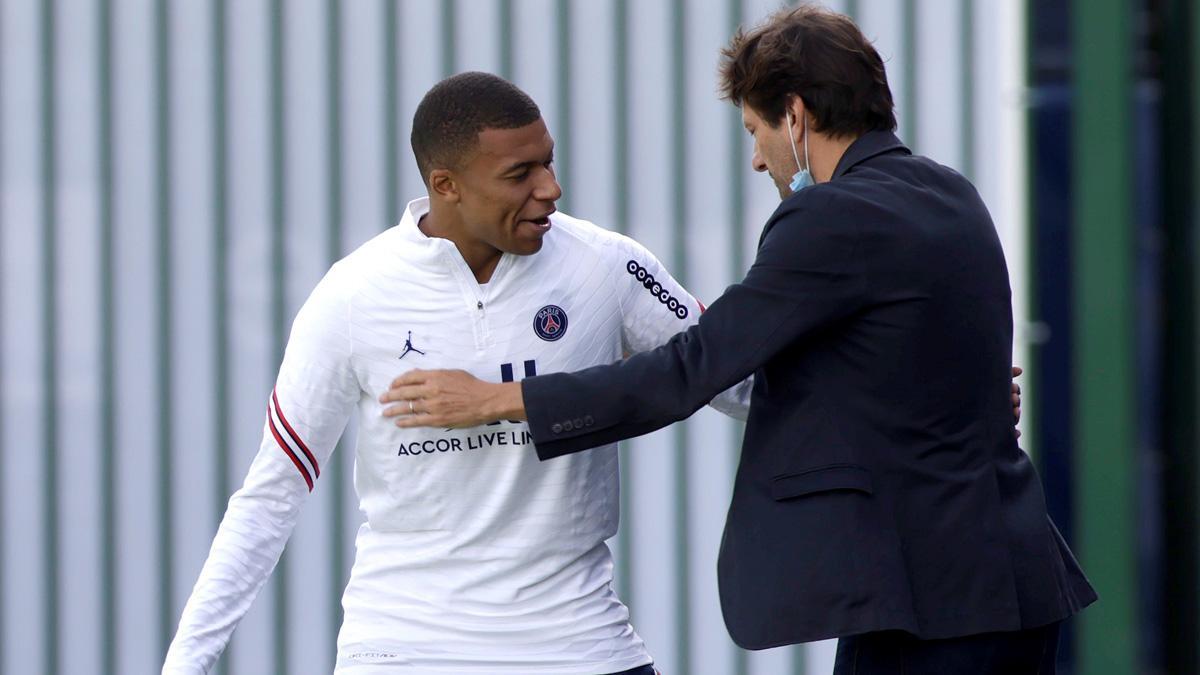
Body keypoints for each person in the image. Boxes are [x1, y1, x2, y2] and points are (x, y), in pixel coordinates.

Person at [381, 7, 1094, 675]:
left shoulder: (830, 219)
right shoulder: (949, 192)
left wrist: (503, 399)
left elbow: (694, 366)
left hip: (928, 601)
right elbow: (896, 355)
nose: (759, 161)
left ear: (796, 116)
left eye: (755, 132)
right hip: (1013, 576)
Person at [163, 71, 752, 674]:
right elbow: (274, 490)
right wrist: (188, 661)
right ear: (445, 185)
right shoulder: (353, 294)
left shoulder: (607, 265)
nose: (551, 188)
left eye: (548, 163)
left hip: (579, 645)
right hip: (403, 649)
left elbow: (736, 384)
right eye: (519, 175)